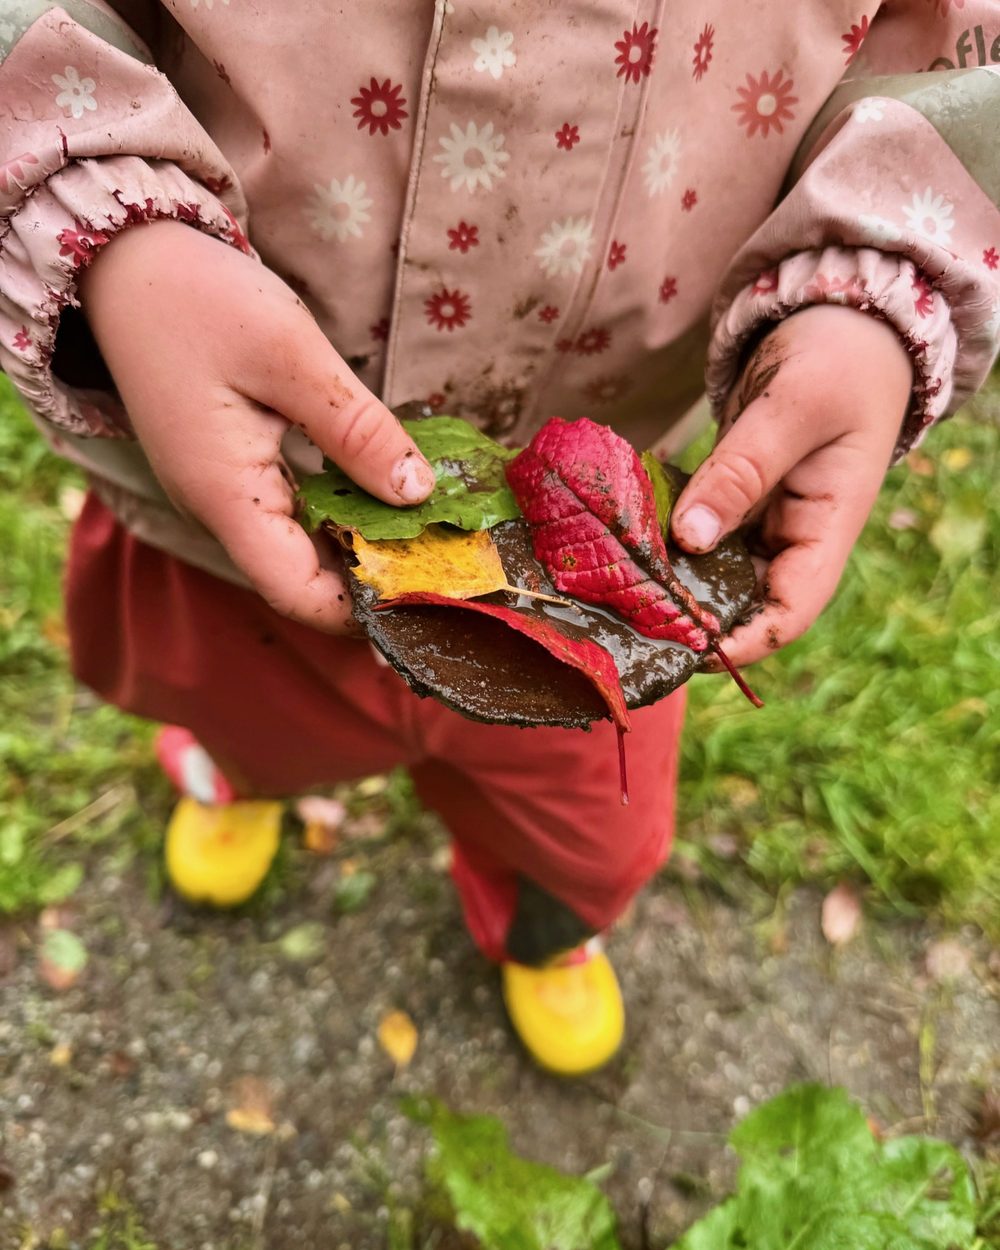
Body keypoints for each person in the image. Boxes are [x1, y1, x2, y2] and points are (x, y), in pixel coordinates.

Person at [1, 2, 997, 1075]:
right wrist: (108, 222)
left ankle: (545, 924)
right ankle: (238, 777)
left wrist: (875, 283)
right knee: (237, 700)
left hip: (588, 595)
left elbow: (939, 38)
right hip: (229, 466)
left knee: (582, 833)